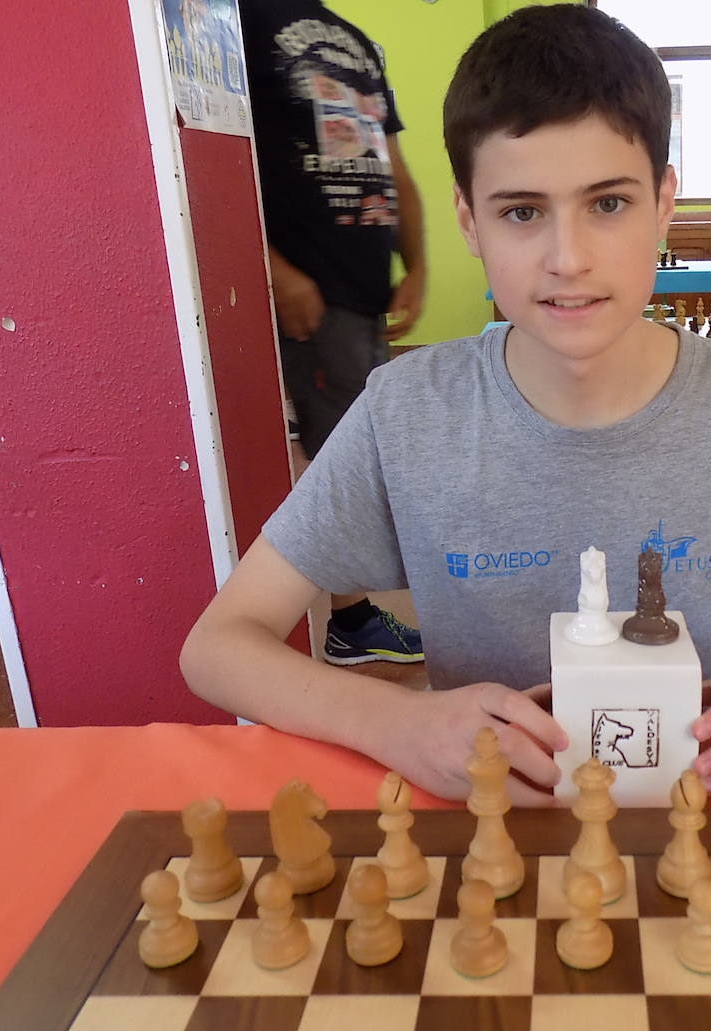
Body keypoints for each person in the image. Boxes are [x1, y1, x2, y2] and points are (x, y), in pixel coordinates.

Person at [182, 5, 711, 804]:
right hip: (491, 835)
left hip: (688, 826)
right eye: (521, 211)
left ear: (664, 202)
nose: (568, 259)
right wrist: (396, 721)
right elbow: (217, 647)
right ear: (469, 223)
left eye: (608, 203)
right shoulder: (407, 413)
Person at [240, 1, 428, 665]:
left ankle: (352, 614)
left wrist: (417, 261)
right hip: (305, 289)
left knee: (352, 445)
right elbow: (214, 151)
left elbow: (389, 161)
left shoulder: (354, 39)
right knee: (334, 460)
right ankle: (349, 618)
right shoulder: (240, 18)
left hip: (361, 287)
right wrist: (271, 267)